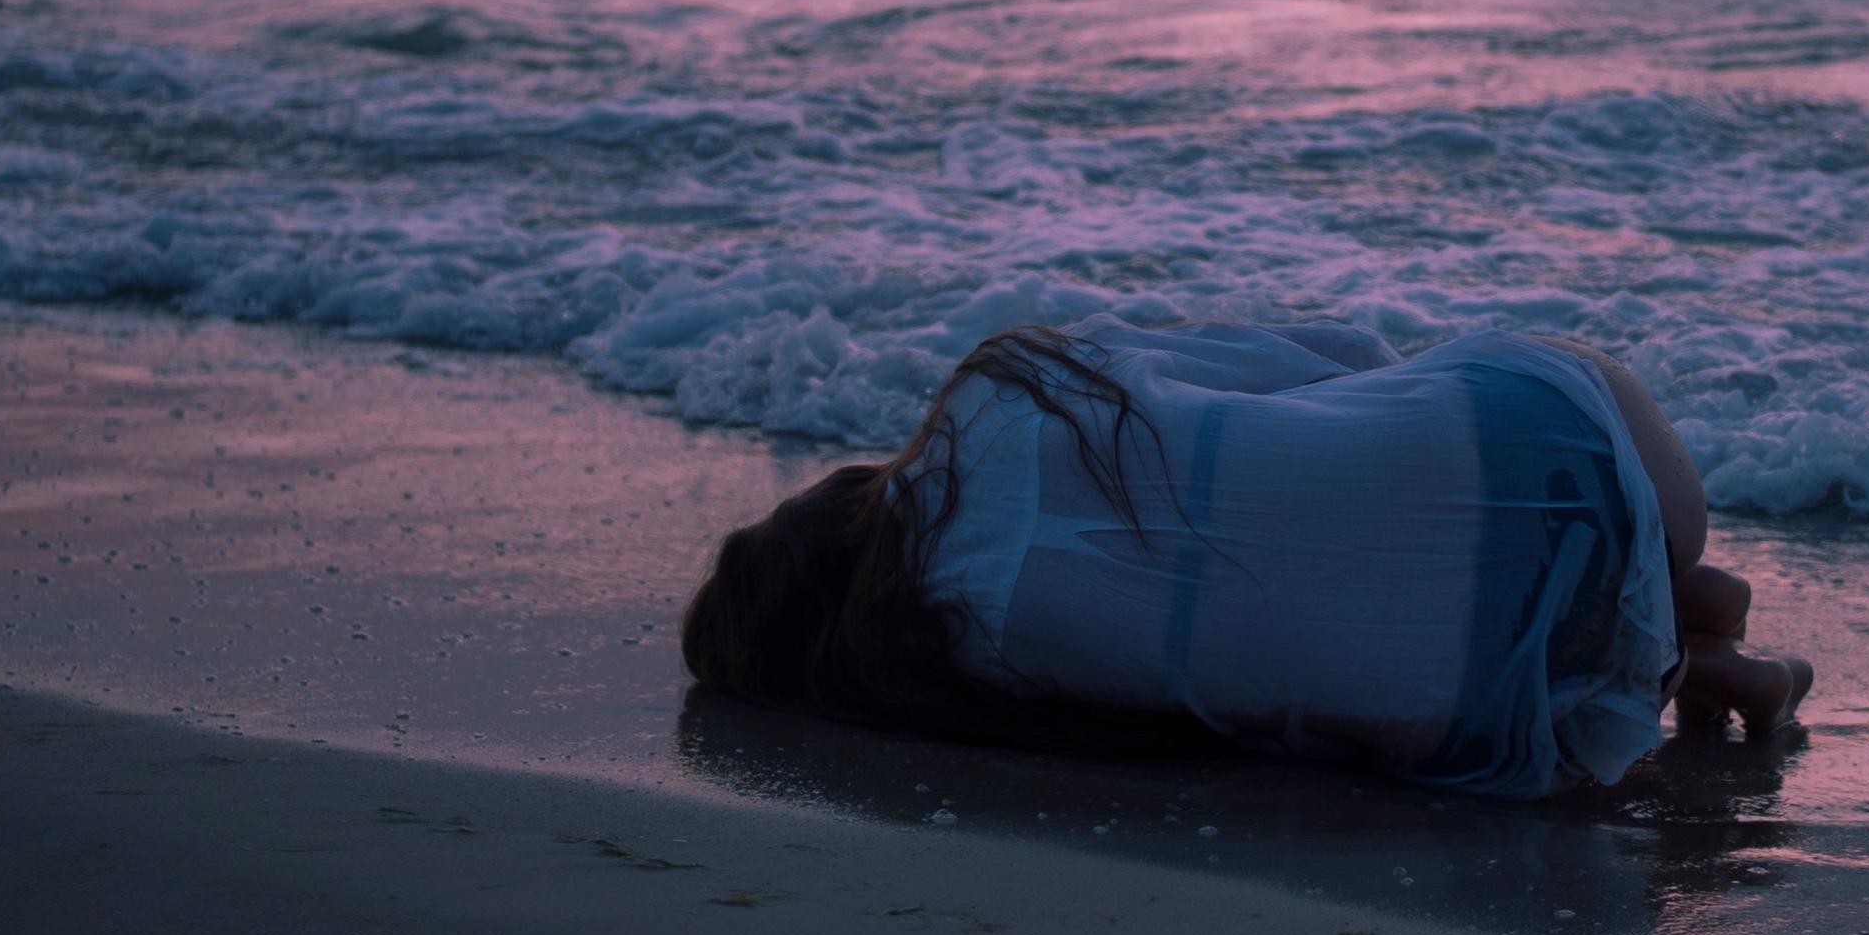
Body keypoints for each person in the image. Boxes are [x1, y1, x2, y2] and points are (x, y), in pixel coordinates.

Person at [677, 318, 1810, 797]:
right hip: (1573, 430)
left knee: (1369, 613)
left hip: (1534, 718)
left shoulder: (967, 681)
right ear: (833, 510)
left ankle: (1683, 645)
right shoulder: (997, 392)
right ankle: (1674, 588)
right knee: (1386, 434)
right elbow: (1315, 356)